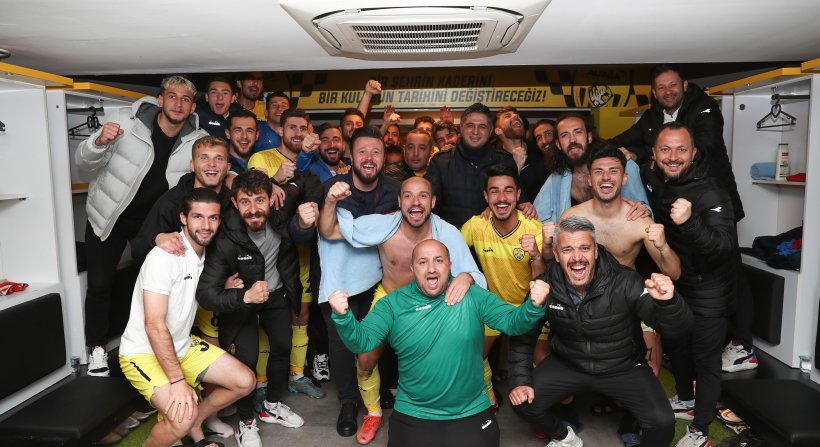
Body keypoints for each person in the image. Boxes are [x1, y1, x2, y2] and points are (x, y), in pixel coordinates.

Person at [328, 239, 549, 447]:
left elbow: (512, 323)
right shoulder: (392, 304)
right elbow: (363, 342)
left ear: (450, 265)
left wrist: (533, 305)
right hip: (414, 413)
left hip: (471, 411)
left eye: (439, 260)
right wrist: (344, 317)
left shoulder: (473, 295)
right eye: (423, 262)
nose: (431, 268)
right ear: (413, 268)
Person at [317, 176, 487, 443]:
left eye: (423, 196)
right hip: (391, 300)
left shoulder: (446, 233)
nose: (415, 202)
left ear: (433, 201)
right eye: (408, 196)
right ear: (399, 201)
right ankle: (373, 413)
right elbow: (329, 231)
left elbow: (478, 278)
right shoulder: (383, 225)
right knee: (365, 359)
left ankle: (481, 399)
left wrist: (466, 277)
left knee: (466, 342)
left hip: (433, 304)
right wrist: (329, 201)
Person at [612, 64, 754, 373]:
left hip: (713, 202)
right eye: (661, 87)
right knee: (684, 269)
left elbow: (703, 146)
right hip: (675, 203)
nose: (668, 91)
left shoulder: (704, 107)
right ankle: (690, 346)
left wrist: (646, 155)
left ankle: (743, 344)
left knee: (730, 270)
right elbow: (626, 140)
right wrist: (612, 152)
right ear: (654, 92)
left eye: (672, 85)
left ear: (684, 85)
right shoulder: (651, 117)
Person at [508, 216, 692, 447]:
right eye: (567, 249)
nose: (577, 257)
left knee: (662, 422)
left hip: (622, 365)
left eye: (584, 248)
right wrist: (520, 381)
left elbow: (678, 330)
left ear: (595, 251)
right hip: (569, 363)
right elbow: (523, 338)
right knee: (521, 401)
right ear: (556, 255)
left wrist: (669, 303)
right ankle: (565, 437)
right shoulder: (545, 284)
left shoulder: (626, 281)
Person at [75, 75, 208, 377]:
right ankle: (96, 348)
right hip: (108, 217)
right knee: (100, 285)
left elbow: (209, 167)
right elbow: (84, 164)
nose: (178, 104)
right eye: (172, 96)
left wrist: (231, 176)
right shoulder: (126, 121)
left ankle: (142, 348)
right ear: (160, 100)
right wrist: (98, 142)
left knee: (151, 287)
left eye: (185, 99)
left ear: (192, 107)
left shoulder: (196, 140)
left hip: (151, 225)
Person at [119, 188, 255, 447]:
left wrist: (223, 288)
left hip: (182, 345)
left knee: (244, 381)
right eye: (198, 217)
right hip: (143, 352)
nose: (206, 226)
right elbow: (154, 325)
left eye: (213, 218)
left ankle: (196, 421)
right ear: (183, 218)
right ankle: (185, 424)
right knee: (181, 419)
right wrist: (178, 381)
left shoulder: (208, 256)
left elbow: (197, 293)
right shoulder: (164, 257)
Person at [641, 122, 738, 447]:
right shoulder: (659, 180)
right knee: (677, 347)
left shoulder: (711, 192)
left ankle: (700, 430)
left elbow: (723, 247)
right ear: (654, 153)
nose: (673, 156)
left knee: (705, 360)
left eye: (681, 149)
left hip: (710, 291)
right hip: (680, 284)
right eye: (665, 149)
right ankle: (685, 399)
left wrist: (691, 221)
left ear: (694, 153)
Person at [196, 170, 306, 447]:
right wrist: (243, 295)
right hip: (241, 301)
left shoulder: (282, 212)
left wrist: (303, 199)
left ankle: (271, 406)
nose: (254, 209)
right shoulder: (225, 237)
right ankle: (246, 422)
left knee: (283, 347)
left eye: (260, 200)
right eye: (245, 201)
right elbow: (205, 295)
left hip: (277, 294)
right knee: (247, 359)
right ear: (234, 203)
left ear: (271, 199)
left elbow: (308, 182)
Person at [308, 125, 401, 438]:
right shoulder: (331, 186)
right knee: (342, 344)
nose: (369, 157)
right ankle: (348, 403)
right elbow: (320, 229)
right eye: (362, 151)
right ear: (350, 155)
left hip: (376, 278)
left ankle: (380, 388)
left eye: (376, 151)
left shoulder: (395, 189)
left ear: (384, 156)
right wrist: (329, 203)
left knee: (378, 337)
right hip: (337, 281)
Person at [460, 164, 547, 413]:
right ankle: (490, 399)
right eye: (494, 191)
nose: (501, 198)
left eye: (508, 190)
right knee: (472, 358)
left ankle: (539, 410)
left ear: (518, 194)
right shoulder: (476, 226)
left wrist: (536, 255)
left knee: (542, 360)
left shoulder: (534, 228)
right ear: (485, 196)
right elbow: (450, 249)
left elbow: (542, 279)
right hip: (495, 307)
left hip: (531, 307)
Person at [426, 103, 535, 228]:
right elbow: (429, 205)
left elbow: (518, 198)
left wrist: (524, 205)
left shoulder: (504, 160)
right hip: (451, 237)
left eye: (482, 126)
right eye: (470, 126)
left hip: (494, 237)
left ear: (490, 131)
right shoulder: (440, 162)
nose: (476, 131)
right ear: (461, 128)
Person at [533, 113, 649, 224]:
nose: (572, 140)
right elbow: (537, 216)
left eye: (578, 132)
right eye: (565, 135)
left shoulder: (623, 166)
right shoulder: (558, 177)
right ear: (558, 144)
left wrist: (644, 210)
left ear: (589, 137)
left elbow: (643, 210)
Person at [494, 106, 549, 201]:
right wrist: (516, 168)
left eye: (517, 115)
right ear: (498, 130)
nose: (515, 116)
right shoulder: (495, 160)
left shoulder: (539, 150)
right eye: (507, 116)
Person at [225, 109, 259, 174]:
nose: (244, 136)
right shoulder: (221, 165)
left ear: (257, 135)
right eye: (238, 130)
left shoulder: (261, 161)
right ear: (228, 134)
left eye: (249, 131)